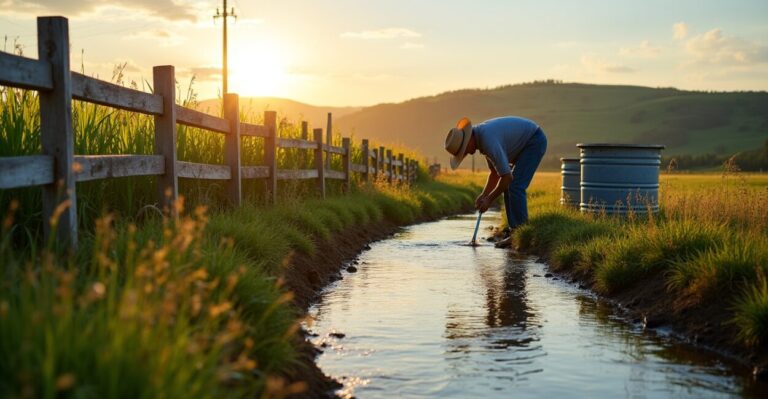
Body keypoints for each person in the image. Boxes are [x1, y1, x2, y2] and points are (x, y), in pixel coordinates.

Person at [444, 116, 547, 248]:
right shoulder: (482, 139)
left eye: (464, 150)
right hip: (528, 140)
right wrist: (484, 195)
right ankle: (516, 232)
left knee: (515, 186)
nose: (467, 153)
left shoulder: (488, 141)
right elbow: (495, 173)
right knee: (510, 186)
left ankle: (522, 234)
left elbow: (506, 177)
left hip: (534, 140)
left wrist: (489, 199)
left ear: (469, 139)